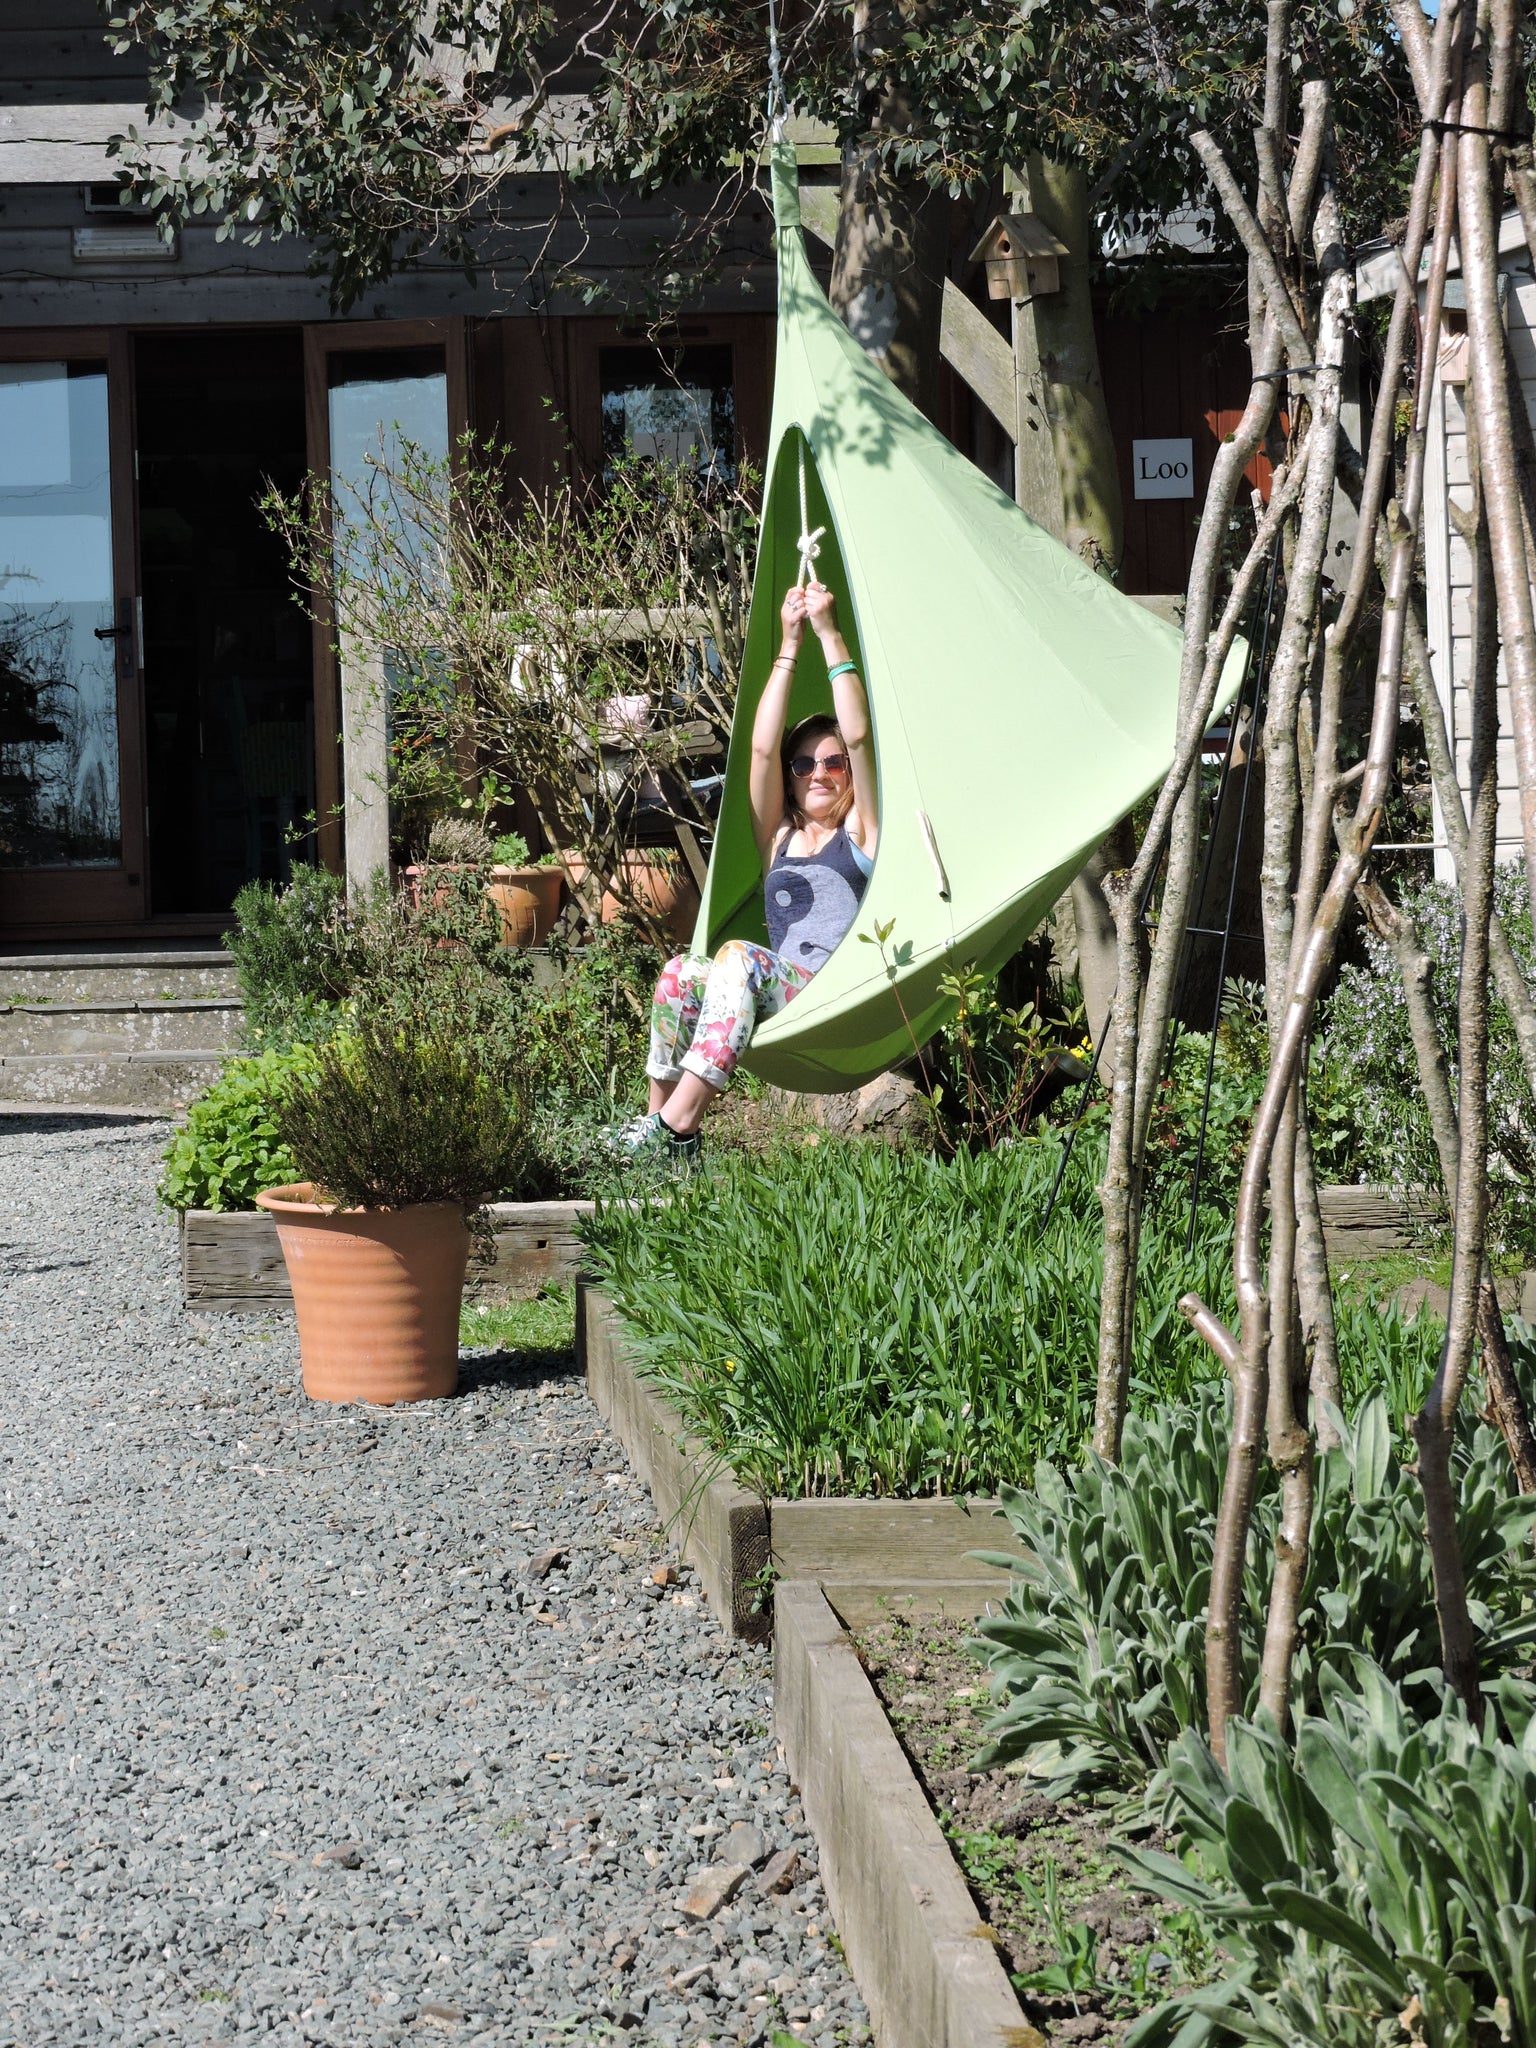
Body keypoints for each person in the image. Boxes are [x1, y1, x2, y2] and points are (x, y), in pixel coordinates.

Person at [613, 579, 879, 1162]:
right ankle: (657, 1132)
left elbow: (859, 735)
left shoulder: (861, 832)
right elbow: (759, 751)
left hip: (830, 992)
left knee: (737, 955)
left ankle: (678, 1125)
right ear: (790, 777)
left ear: (849, 772)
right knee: (680, 972)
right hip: (776, 988)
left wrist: (829, 635)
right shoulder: (777, 838)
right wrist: (788, 646)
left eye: (832, 763)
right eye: (803, 764)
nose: (818, 773)